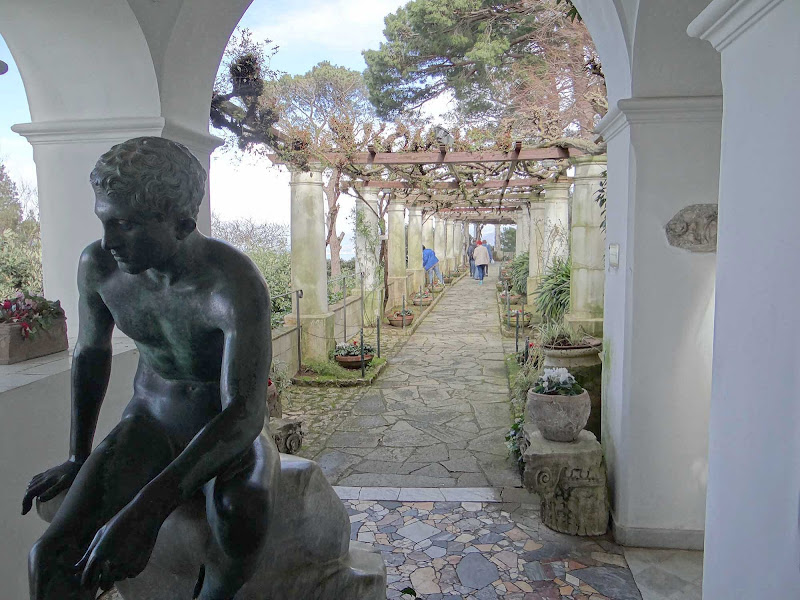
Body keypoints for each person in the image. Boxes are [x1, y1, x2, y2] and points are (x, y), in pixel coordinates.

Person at [22, 137, 279, 600]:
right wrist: (79, 457)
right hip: (149, 422)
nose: (109, 240)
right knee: (49, 557)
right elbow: (90, 353)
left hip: (223, 433)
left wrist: (147, 510)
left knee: (242, 513)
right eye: (105, 220)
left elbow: (243, 411)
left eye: (127, 224)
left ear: (181, 222)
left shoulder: (232, 283)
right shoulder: (99, 267)